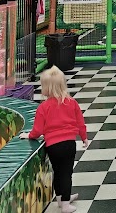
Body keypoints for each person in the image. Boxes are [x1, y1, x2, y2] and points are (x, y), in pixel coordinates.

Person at [21, 66, 88, 213]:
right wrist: (84, 137)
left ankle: (60, 199)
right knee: (66, 173)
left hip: (52, 146)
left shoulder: (43, 107)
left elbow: (37, 130)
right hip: (68, 144)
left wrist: (29, 135)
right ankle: (65, 204)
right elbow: (80, 123)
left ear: (46, 88)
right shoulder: (72, 103)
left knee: (57, 172)